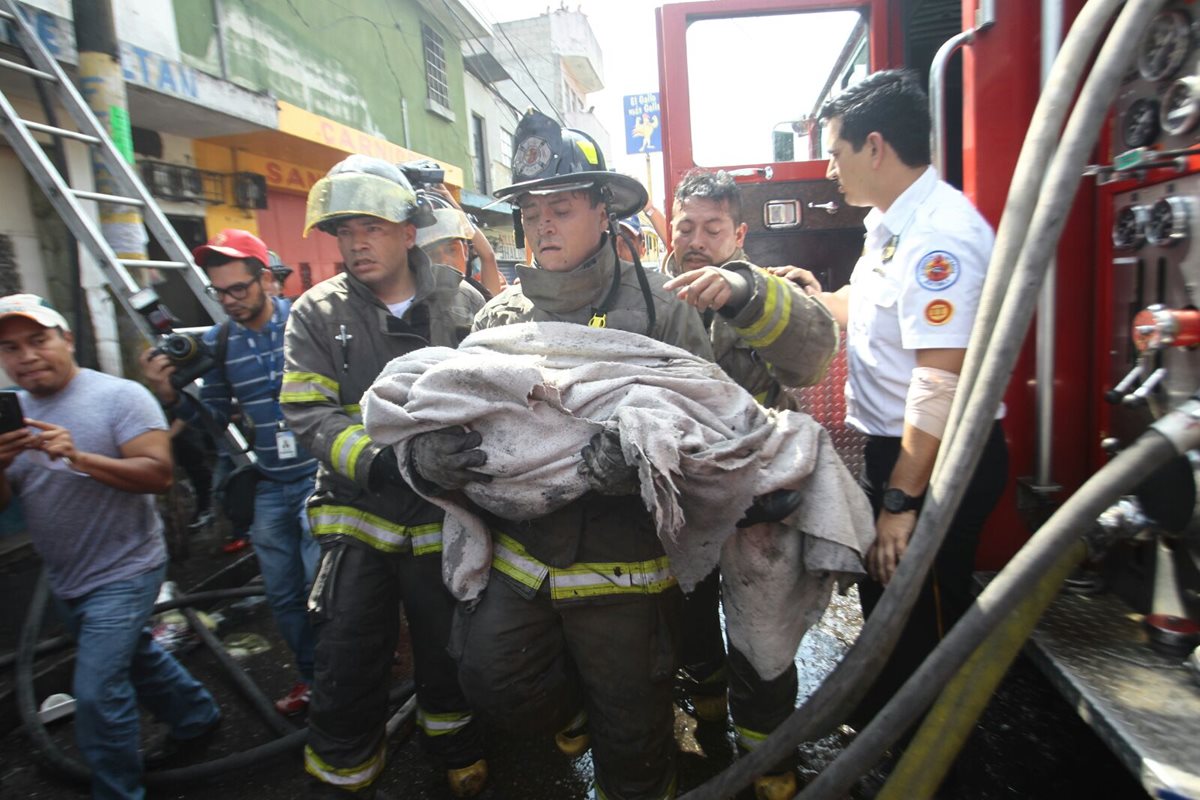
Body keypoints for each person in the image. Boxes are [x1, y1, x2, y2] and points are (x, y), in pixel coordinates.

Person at [406, 109, 712, 800]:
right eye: (533, 210)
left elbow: (713, 423)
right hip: (526, 559)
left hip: (628, 567)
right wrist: (429, 457)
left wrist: (647, 454)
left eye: (562, 207)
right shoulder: (497, 321)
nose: (543, 224)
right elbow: (455, 412)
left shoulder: (662, 311)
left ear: (603, 212)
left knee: (633, 743)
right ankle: (568, 712)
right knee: (491, 678)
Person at [280, 155, 488, 798]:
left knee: (448, 652)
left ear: (408, 229)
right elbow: (306, 414)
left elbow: (494, 400)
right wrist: (385, 461)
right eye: (344, 230)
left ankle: (455, 747)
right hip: (358, 522)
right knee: (347, 661)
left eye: (370, 226)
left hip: (442, 522)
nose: (355, 242)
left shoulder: (462, 304)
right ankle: (345, 773)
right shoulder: (316, 314)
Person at [811, 70, 1009, 736]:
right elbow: (870, 315)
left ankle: (934, 751)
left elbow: (938, 379)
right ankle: (889, 717)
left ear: (874, 146)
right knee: (889, 598)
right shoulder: (890, 223)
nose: (827, 167)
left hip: (932, 458)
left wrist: (901, 501)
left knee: (925, 612)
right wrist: (809, 296)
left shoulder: (938, 237)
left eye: (834, 152)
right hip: (898, 453)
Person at [659, 167, 838, 799]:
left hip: (755, 498)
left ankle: (770, 761)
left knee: (761, 636)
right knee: (687, 623)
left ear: (738, 233)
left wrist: (744, 294)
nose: (696, 240)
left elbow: (811, 356)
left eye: (713, 228)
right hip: (678, 495)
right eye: (686, 226)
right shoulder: (646, 293)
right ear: (668, 224)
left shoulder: (764, 294)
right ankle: (706, 719)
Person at [0, 293, 220, 800]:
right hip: (66, 575)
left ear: (67, 340)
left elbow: (158, 475)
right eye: (11, 348)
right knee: (135, 657)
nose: (27, 356)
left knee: (97, 692)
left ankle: (117, 791)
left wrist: (75, 456)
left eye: (38, 340)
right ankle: (195, 715)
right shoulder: (14, 415)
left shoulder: (119, 397)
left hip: (127, 569)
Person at [141, 229, 321, 717]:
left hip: (319, 479)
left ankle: (346, 669)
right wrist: (172, 396)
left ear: (266, 280)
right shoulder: (220, 343)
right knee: (282, 596)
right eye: (219, 292)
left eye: (238, 288)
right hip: (268, 484)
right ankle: (312, 677)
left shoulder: (308, 322)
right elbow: (214, 417)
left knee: (320, 587)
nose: (229, 301)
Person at [414, 186, 508, 297]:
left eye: (451, 250)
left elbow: (488, 256)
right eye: (433, 254)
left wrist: (457, 210)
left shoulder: (478, 298)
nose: (444, 261)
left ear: (466, 250)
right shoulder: (415, 302)